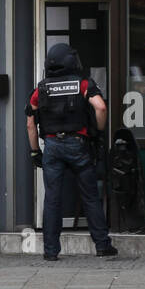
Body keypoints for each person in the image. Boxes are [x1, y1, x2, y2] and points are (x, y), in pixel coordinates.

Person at [26, 42, 117, 261]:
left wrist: (34, 152)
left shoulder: (41, 89)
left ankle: (50, 251)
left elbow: (30, 123)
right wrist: (99, 132)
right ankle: (103, 246)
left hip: (52, 146)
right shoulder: (83, 84)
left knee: (52, 199)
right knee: (90, 196)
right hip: (78, 144)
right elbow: (101, 107)